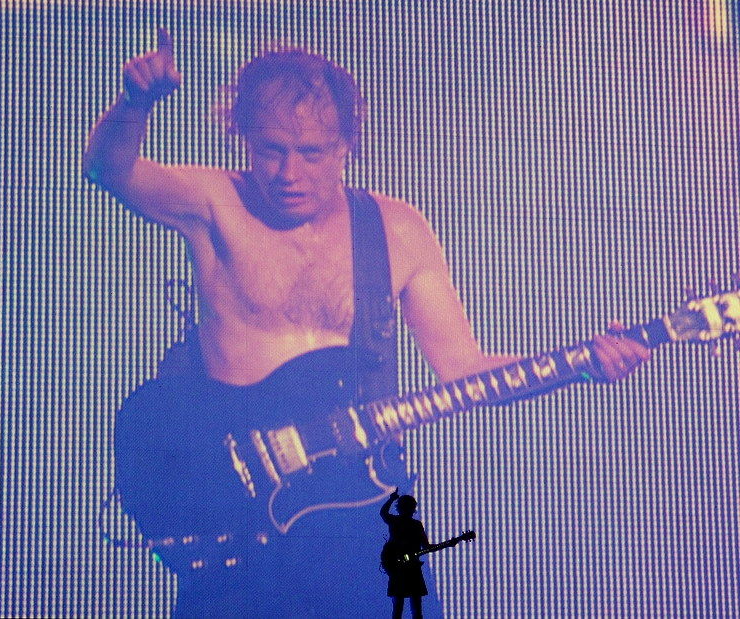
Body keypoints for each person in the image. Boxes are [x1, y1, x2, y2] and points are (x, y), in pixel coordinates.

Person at [84, 28, 651, 617]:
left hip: (362, 514)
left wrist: (582, 364)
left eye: (312, 153)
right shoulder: (216, 201)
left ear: (346, 147)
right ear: (243, 138)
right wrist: (135, 103)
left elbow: (464, 368)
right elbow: (107, 170)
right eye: (272, 150)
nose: (289, 172)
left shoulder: (398, 229)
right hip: (241, 517)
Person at [380, 489, 430, 618]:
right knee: (415, 608)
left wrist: (391, 499)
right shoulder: (415, 525)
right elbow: (427, 546)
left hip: (401, 568)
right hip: (410, 568)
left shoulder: (395, 521)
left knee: (399, 607)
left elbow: (383, 513)